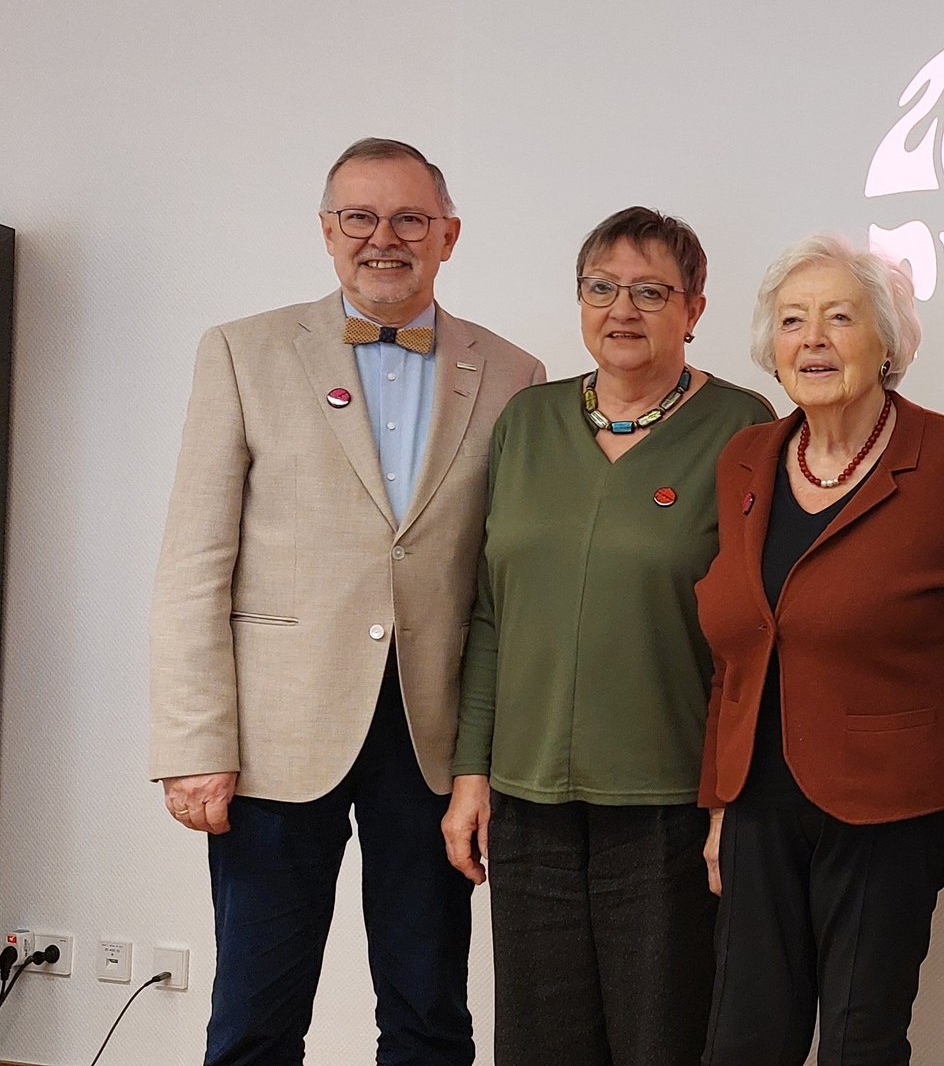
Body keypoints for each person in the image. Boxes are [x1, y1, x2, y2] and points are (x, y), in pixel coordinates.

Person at [148, 137, 543, 1064]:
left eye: (409, 218)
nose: (384, 238)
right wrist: (193, 742)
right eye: (359, 217)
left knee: (429, 1009)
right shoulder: (243, 353)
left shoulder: (518, 376)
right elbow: (192, 563)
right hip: (275, 735)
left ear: (449, 235)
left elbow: (503, 579)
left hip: (434, 737)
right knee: (256, 1010)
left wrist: (490, 756)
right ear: (327, 232)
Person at [440, 207, 773, 1065]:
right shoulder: (527, 421)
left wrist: (731, 797)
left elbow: (756, 636)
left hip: (665, 799)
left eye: (650, 291)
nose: (622, 309)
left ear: (694, 309)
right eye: (602, 287)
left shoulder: (745, 427)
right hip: (526, 800)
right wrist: (472, 773)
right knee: (539, 1043)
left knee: (659, 1040)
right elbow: (489, 610)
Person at [694, 234, 944, 1066]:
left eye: (840, 318)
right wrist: (720, 804)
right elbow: (735, 654)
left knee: (857, 1038)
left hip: (893, 804)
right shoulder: (746, 459)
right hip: (758, 803)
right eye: (793, 320)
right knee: (742, 1040)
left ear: (887, 343)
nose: (813, 339)